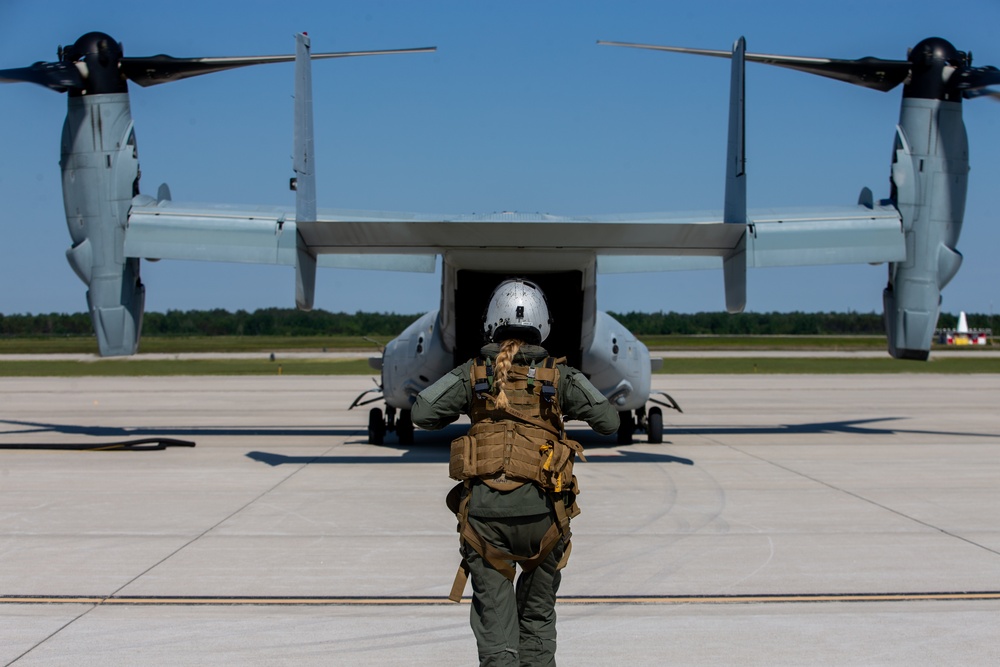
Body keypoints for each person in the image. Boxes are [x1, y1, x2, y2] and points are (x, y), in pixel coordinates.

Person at [411, 278, 619, 667]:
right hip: (545, 519)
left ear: (492, 324)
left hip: (485, 520)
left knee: (497, 628)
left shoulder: (474, 374)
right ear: (542, 326)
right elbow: (608, 421)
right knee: (537, 620)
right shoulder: (560, 377)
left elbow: (422, 413)